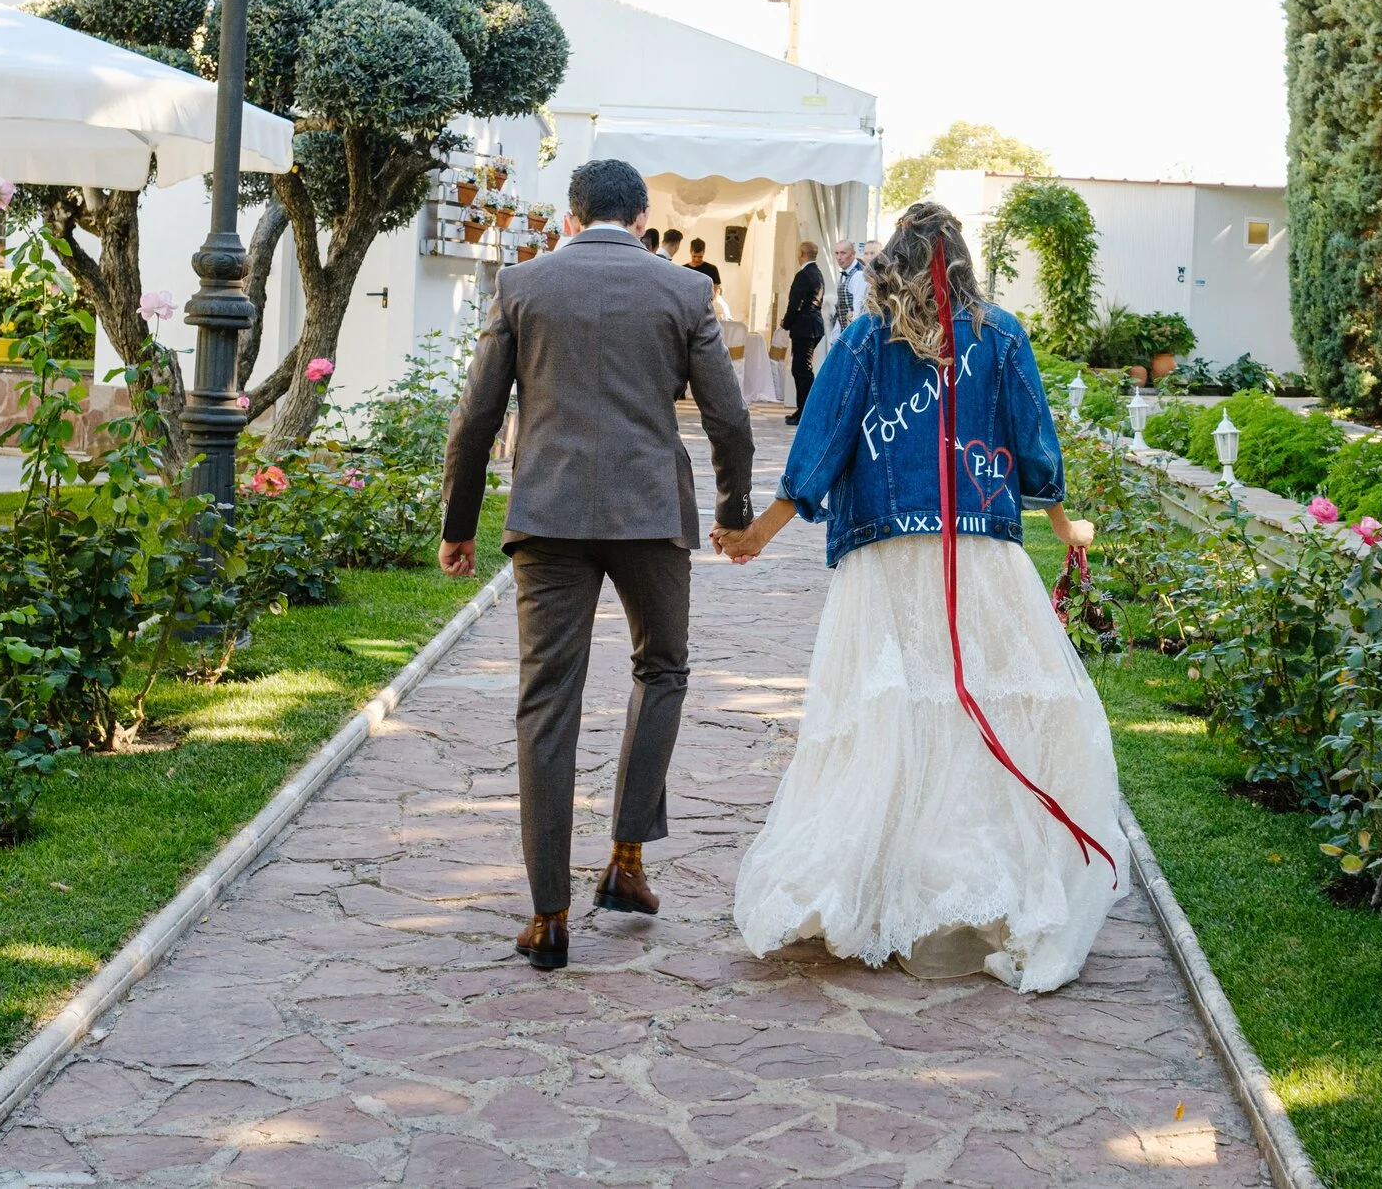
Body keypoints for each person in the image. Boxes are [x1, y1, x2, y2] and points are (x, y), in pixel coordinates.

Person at [717, 201, 1123, 992]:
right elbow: (1035, 442)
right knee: (978, 711)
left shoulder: (869, 337)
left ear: (892, 258)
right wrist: (1068, 526)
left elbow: (823, 437)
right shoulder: (1000, 333)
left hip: (885, 554)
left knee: (892, 716)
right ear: (963, 258)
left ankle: (894, 885)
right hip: (978, 551)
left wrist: (760, 532)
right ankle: (957, 890)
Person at [439, 158, 755, 972]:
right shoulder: (683, 291)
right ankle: (627, 859)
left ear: (571, 216)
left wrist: (458, 523)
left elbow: (474, 419)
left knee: (546, 700)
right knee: (664, 668)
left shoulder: (522, 284)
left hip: (547, 516)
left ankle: (548, 916)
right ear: (643, 216)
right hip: (651, 515)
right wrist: (731, 509)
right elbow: (728, 417)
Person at [781, 240, 824, 425]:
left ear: (801, 254)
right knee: (802, 370)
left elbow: (795, 303)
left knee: (802, 371)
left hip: (804, 328)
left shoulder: (803, 275)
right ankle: (803, 409)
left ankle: (805, 411)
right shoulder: (818, 274)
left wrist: (786, 322)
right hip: (814, 326)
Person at [826, 239, 866, 336]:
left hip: (854, 332)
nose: (839, 257)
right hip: (845, 331)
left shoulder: (858, 274)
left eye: (843, 253)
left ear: (853, 254)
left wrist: (853, 335)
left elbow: (858, 307)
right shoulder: (845, 273)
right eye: (836, 253)